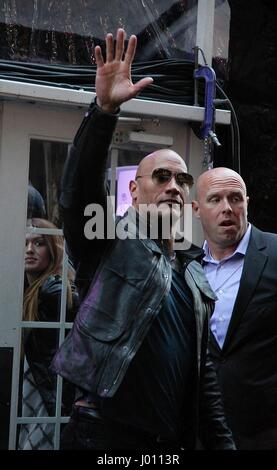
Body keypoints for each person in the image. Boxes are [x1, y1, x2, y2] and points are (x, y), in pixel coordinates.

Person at [51, 28, 235, 450]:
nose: (174, 184)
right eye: (162, 176)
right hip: (104, 436)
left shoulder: (195, 278)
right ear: (134, 191)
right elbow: (77, 194)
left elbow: (206, 389)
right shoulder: (110, 245)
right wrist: (103, 112)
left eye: (183, 179)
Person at [192, 166, 277, 450]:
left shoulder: (274, 253)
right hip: (201, 432)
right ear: (197, 209)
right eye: (215, 199)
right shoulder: (185, 267)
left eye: (235, 198)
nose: (227, 208)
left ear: (247, 203)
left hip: (265, 431)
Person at [18, 218, 77, 450]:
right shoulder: (26, 291)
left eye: (39, 243)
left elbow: (74, 300)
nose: (29, 250)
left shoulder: (51, 288)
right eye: (24, 244)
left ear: (54, 249)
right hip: (34, 392)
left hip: (48, 397)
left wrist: (63, 264)